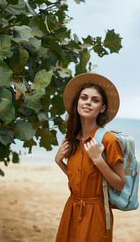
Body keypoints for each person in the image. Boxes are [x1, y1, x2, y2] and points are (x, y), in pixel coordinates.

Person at [55, 73, 125, 242]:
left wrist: (98, 160)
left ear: (102, 108)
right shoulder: (73, 138)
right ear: (77, 103)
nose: (87, 102)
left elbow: (119, 184)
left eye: (95, 100)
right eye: (84, 98)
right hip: (71, 208)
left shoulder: (109, 140)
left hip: (96, 214)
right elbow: (80, 178)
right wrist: (59, 161)